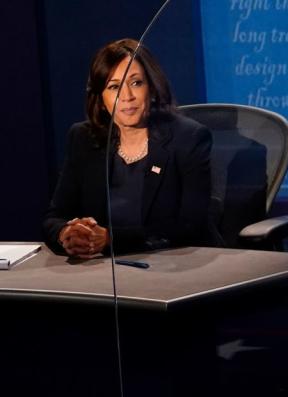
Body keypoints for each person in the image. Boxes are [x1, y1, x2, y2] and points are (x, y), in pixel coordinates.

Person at [42, 39, 218, 257]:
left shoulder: (188, 137)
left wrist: (110, 239)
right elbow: (55, 216)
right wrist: (67, 234)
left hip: (177, 266)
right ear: (100, 98)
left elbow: (190, 226)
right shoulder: (83, 138)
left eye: (136, 83)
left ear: (152, 88)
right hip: (103, 272)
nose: (127, 97)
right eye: (114, 87)